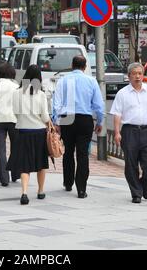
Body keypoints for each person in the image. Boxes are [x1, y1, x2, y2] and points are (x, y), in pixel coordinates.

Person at [109, 62, 147, 204]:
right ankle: (136, 193)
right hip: (129, 131)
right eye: (134, 74)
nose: (137, 76)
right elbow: (117, 114)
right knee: (131, 164)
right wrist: (117, 132)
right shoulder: (122, 93)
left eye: (140, 73)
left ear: (143, 75)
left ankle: (144, 185)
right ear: (129, 76)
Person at [52, 56, 104, 199]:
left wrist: (56, 121)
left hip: (67, 118)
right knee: (82, 154)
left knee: (68, 151)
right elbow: (99, 105)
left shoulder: (62, 81)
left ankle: (68, 183)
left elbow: (56, 103)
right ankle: (81, 188)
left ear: (72, 65)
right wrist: (100, 122)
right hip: (84, 118)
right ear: (85, 66)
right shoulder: (91, 81)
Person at [8, 65, 50, 205]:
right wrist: (48, 122)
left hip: (22, 132)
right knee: (41, 163)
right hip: (39, 132)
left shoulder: (16, 93)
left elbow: (14, 112)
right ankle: (40, 191)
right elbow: (44, 117)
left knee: (24, 164)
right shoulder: (41, 94)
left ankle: (24, 192)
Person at [0, 62, 19, 186]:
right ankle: (15, 174)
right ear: (12, 73)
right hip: (13, 119)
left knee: (0, 149)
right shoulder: (15, 86)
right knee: (16, 147)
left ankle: (4, 178)